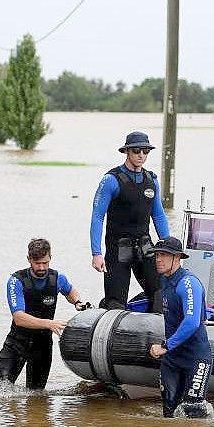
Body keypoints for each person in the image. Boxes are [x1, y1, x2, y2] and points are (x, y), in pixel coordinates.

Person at [0, 238, 89, 389]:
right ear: (29, 259)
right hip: (17, 342)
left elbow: (70, 291)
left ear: (50, 258)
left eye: (45, 262)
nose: (42, 267)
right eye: (37, 263)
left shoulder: (57, 278)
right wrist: (49, 323)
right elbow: (19, 318)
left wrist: (78, 302)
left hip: (42, 346)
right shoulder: (16, 281)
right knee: (1, 390)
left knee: (36, 395)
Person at [90, 131, 170, 311]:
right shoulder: (111, 180)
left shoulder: (152, 180)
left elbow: (158, 215)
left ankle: (157, 335)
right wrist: (96, 253)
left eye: (145, 151)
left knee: (160, 295)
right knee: (116, 303)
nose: (141, 155)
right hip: (118, 248)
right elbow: (97, 217)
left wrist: (169, 247)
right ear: (127, 151)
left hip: (145, 246)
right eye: (136, 151)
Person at [148, 237, 213, 418]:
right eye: (157, 255)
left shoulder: (188, 283)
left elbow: (192, 322)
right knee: (169, 412)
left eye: (163, 255)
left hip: (196, 358)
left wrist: (166, 346)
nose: (158, 259)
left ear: (177, 258)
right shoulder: (164, 280)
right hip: (172, 359)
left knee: (193, 413)